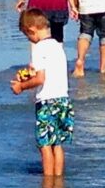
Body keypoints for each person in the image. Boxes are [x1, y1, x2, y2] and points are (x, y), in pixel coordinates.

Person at [11, 9, 73, 177]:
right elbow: (47, 71)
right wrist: (26, 75)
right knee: (57, 144)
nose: (29, 40)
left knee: (44, 145)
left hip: (47, 101)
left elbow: (40, 79)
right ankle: (58, 179)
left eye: (28, 36)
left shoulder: (39, 48)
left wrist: (21, 87)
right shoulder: (57, 46)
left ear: (32, 30)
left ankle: (48, 182)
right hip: (63, 100)